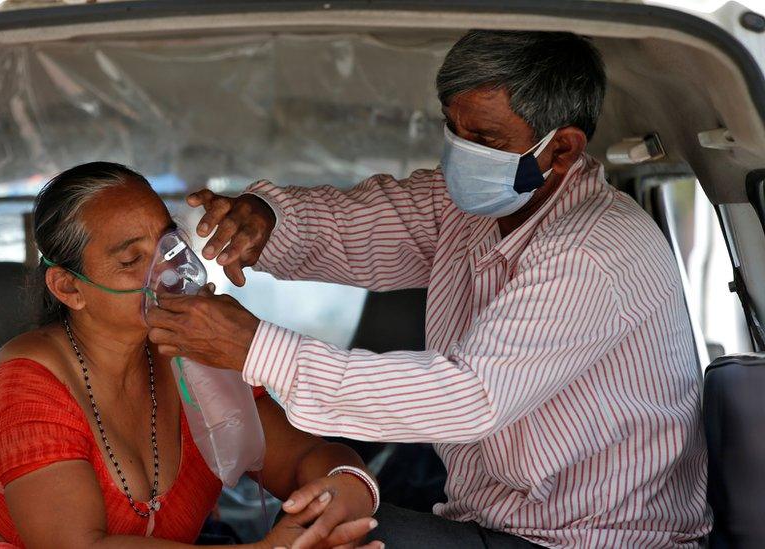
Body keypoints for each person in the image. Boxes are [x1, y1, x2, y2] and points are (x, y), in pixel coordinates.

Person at [147, 31, 711, 547]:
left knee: (336, 536)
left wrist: (256, 349)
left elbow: (469, 398)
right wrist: (268, 220)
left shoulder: (593, 249)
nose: (460, 152)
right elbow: (353, 226)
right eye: (453, 127)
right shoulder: (473, 207)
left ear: (560, 151)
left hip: (594, 540)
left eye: (485, 138)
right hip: (491, 520)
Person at [0, 162, 381, 549]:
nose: (167, 270)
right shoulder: (27, 383)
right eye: (130, 260)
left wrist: (344, 489)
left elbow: (305, 456)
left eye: (167, 244)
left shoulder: (196, 356)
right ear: (69, 288)